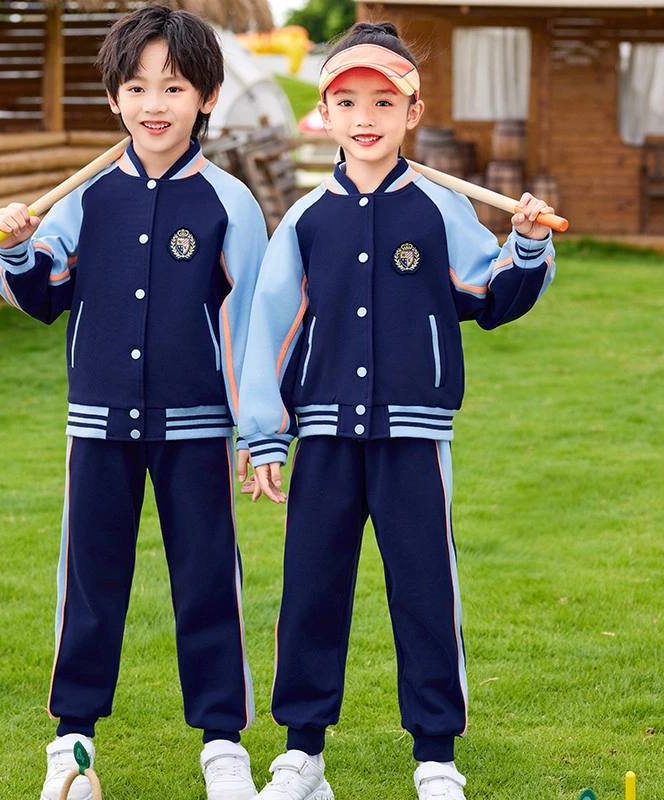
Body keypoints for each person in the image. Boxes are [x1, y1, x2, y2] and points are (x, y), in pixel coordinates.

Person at [237, 21, 556, 800]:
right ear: (328, 114)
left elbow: (491, 297)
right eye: (348, 102)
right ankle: (302, 755)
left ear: (413, 110)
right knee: (311, 588)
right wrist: (265, 436)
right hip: (325, 439)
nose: (366, 116)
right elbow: (270, 330)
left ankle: (437, 758)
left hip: (415, 440)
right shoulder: (307, 219)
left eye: (385, 100)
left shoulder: (442, 210)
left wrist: (525, 245)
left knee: (424, 589)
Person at [0, 6, 268, 800]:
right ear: (114, 98)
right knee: (90, 583)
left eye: (174, 87)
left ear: (206, 97)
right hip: (98, 429)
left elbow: (251, 328)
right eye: (137, 86)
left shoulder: (230, 203)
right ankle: (72, 743)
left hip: (197, 431)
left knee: (209, 580)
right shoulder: (83, 201)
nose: (155, 103)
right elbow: (44, 292)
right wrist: (14, 247)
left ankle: (224, 748)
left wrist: (258, 435)